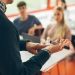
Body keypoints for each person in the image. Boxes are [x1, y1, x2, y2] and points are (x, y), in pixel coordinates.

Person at [0, 0, 71, 75]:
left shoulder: (7, 25)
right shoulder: (7, 26)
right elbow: (19, 73)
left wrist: (25, 44)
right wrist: (48, 51)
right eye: (55, 14)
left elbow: (4, 42)